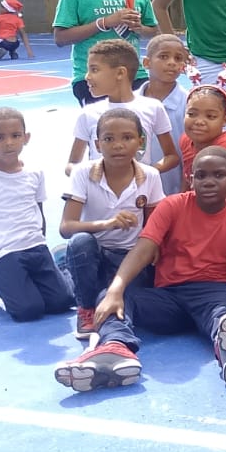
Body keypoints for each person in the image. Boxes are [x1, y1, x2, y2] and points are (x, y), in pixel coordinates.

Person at [51, 146, 226, 392]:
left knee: (225, 315)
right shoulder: (172, 206)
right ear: (190, 179)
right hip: (168, 296)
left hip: (212, 292)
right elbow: (142, 249)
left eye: (219, 175)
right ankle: (116, 348)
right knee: (112, 297)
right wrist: (116, 290)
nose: (209, 181)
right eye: (201, 175)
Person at [0, 108, 72, 321]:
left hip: (34, 247)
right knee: (28, 310)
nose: (9, 143)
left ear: (26, 137)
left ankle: (60, 266)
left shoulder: (35, 173)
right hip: (0, 252)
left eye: (15, 136)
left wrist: (42, 248)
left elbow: (38, 212)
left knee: (62, 302)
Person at [61, 107, 161, 337]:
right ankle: (85, 308)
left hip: (130, 256)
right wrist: (107, 224)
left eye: (127, 138)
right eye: (108, 139)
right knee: (79, 243)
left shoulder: (151, 176)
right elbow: (66, 227)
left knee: (123, 299)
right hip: (94, 252)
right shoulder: (82, 173)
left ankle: (73, 272)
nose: (118, 145)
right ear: (97, 145)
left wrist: (155, 249)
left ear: (141, 142)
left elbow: (154, 227)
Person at [65, 38, 179, 178]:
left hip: (141, 196)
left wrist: (147, 173)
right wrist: (87, 174)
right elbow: (71, 164)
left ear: (120, 73)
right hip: (98, 197)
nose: (87, 76)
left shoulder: (153, 108)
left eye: (94, 69)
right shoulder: (88, 113)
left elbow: (171, 156)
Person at [179, 85, 226, 205]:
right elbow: (187, 177)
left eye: (210, 116)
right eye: (192, 114)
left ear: (225, 120)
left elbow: (213, 193)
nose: (199, 122)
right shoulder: (185, 139)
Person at [142, 34, 191, 194]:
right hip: (136, 190)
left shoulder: (189, 104)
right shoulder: (131, 104)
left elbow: (192, 151)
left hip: (174, 190)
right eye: (163, 56)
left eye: (178, 58)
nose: (172, 63)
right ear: (147, 63)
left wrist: (183, 193)